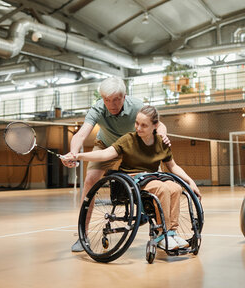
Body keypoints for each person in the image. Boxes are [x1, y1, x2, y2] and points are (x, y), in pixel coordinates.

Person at [64, 105, 201, 250]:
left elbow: (173, 166)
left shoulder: (162, 142)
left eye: (144, 125)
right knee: (161, 188)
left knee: (175, 187)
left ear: (155, 126)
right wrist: (78, 156)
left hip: (152, 177)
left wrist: (190, 181)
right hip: (132, 180)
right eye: (137, 123)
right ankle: (162, 234)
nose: (138, 128)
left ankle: (171, 232)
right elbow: (105, 154)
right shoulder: (128, 139)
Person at [61, 76, 170, 252]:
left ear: (124, 96)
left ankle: (161, 233)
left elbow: (159, 126)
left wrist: (162, 137)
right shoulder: (97, 108)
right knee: (90, 181)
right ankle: (83, 235)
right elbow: (81, 134)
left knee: (155, 181)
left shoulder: (137, 106)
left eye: (116, 99)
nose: (111, 104)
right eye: (107, 100)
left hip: (134, 147)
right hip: (106, 146)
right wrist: (74, 153)